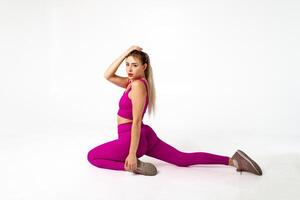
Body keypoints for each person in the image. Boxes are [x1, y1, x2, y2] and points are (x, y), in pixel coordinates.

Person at [87, 45, 263, 176]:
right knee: (182, 159)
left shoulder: (138, 86)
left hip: (132, 138)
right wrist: (127, 52)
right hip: (145, 136)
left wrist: (132, 154)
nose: (129, 69)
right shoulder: (132, 83)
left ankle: (133, 166)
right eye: (127, 65)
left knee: (93, 156)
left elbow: (137, 122)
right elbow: (108, 75)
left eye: (134, 65)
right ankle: (233, 160)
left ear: (144, 67)